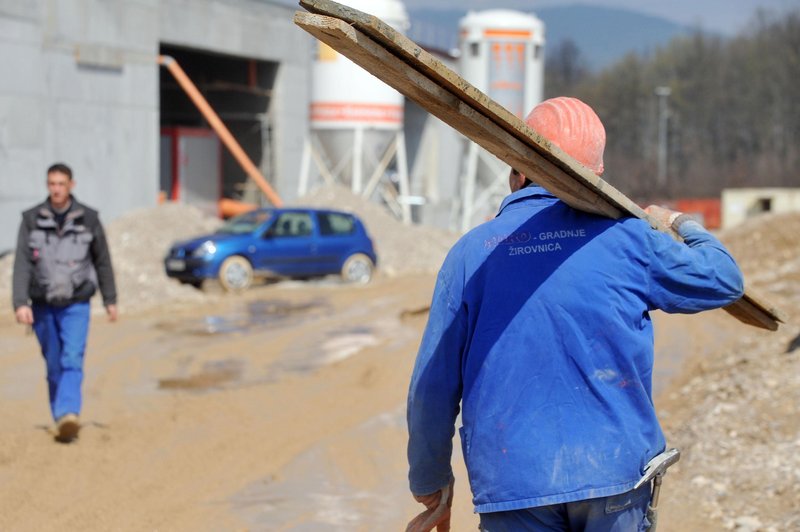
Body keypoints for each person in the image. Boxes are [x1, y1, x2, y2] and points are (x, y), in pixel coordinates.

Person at [405, 97, 744, 531]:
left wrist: (432, 481)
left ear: (517, 168)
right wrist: (677, 222)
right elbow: (725, 279)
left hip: (514, 486)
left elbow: (431, 388)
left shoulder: (471, 255)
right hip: (616, 476)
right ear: (596, 177)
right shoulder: (629, 239)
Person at [12, 162, 118, 443]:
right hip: (43, 303)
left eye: (61, 184)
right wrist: (20, 302)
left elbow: (102, 260)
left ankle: (69, 412)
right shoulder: (32, 219)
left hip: (76, 303)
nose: (56, 189)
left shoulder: (89, 219)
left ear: (71, 185)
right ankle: (60, 416)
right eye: (52, 184)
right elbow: (22, 263)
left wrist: (110, 299)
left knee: (72, 358)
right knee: (54, 363)